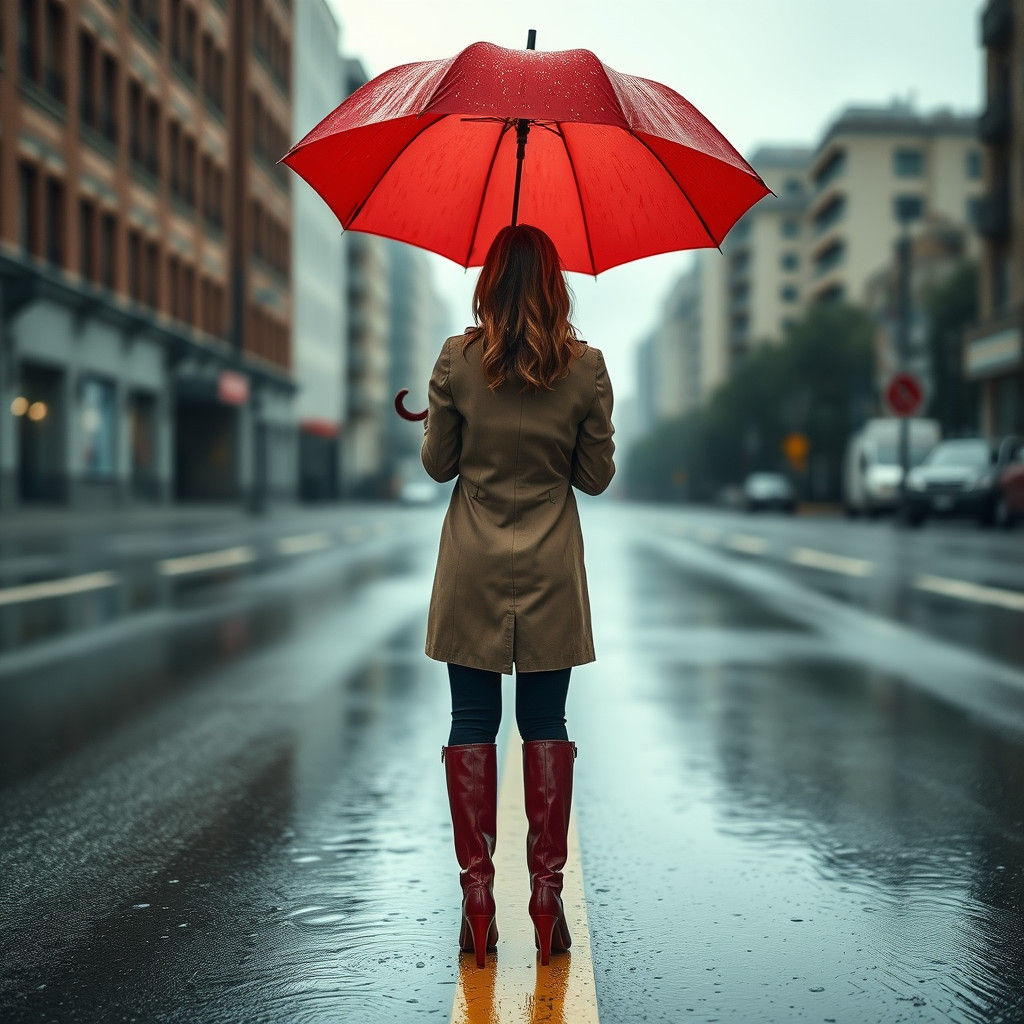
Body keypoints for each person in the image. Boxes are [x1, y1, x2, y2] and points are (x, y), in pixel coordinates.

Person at [420, 224, 616, 968]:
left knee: (471, 718)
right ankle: (544, 895)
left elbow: (440, 466)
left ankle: (477, 900)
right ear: (556, 284)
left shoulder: (457, 358)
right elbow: (594, 478)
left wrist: (441, 415)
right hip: (549, 569)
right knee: (545, 721)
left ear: (488, 281)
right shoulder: (587, 367)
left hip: (472, 565)